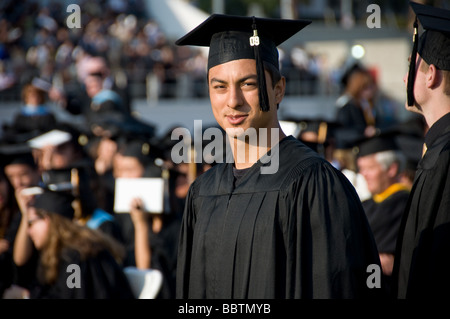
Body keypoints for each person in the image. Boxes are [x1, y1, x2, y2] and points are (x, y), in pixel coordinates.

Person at [175, 14, 383, 298]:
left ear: (278, 90)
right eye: (219, 86)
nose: (232, 100)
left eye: (248, 84)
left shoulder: (313, 184)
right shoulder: (203, 192)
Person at [391, 2, 450, 299]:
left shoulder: (445, 158)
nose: (404, 78)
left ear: (431, 76)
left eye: (410, 68)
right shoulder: (438, 149)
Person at [3, 188, 134, 299]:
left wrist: (26, 296)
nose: (29, 231)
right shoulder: (67, 252)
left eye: (31, 223)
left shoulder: (75, 258)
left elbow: (74, 294)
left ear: (48, 221)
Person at [356, 133, 409, 292]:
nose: (363, 175)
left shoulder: (404, 203)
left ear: (392, 168)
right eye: (361, 169)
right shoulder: (364, 204)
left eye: (370, 168)